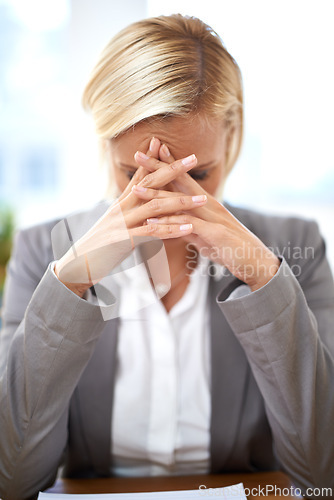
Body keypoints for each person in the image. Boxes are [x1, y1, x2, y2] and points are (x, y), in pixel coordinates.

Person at [0, 13, 334, 500]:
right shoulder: (41, 253)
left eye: (195, 177)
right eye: (136, 175)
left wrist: (264, 278)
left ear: (233, 140)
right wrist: (71, 282)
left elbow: (322, 472)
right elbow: (13, 478)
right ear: (103, 142)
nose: (167, 199)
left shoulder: (294, 247)